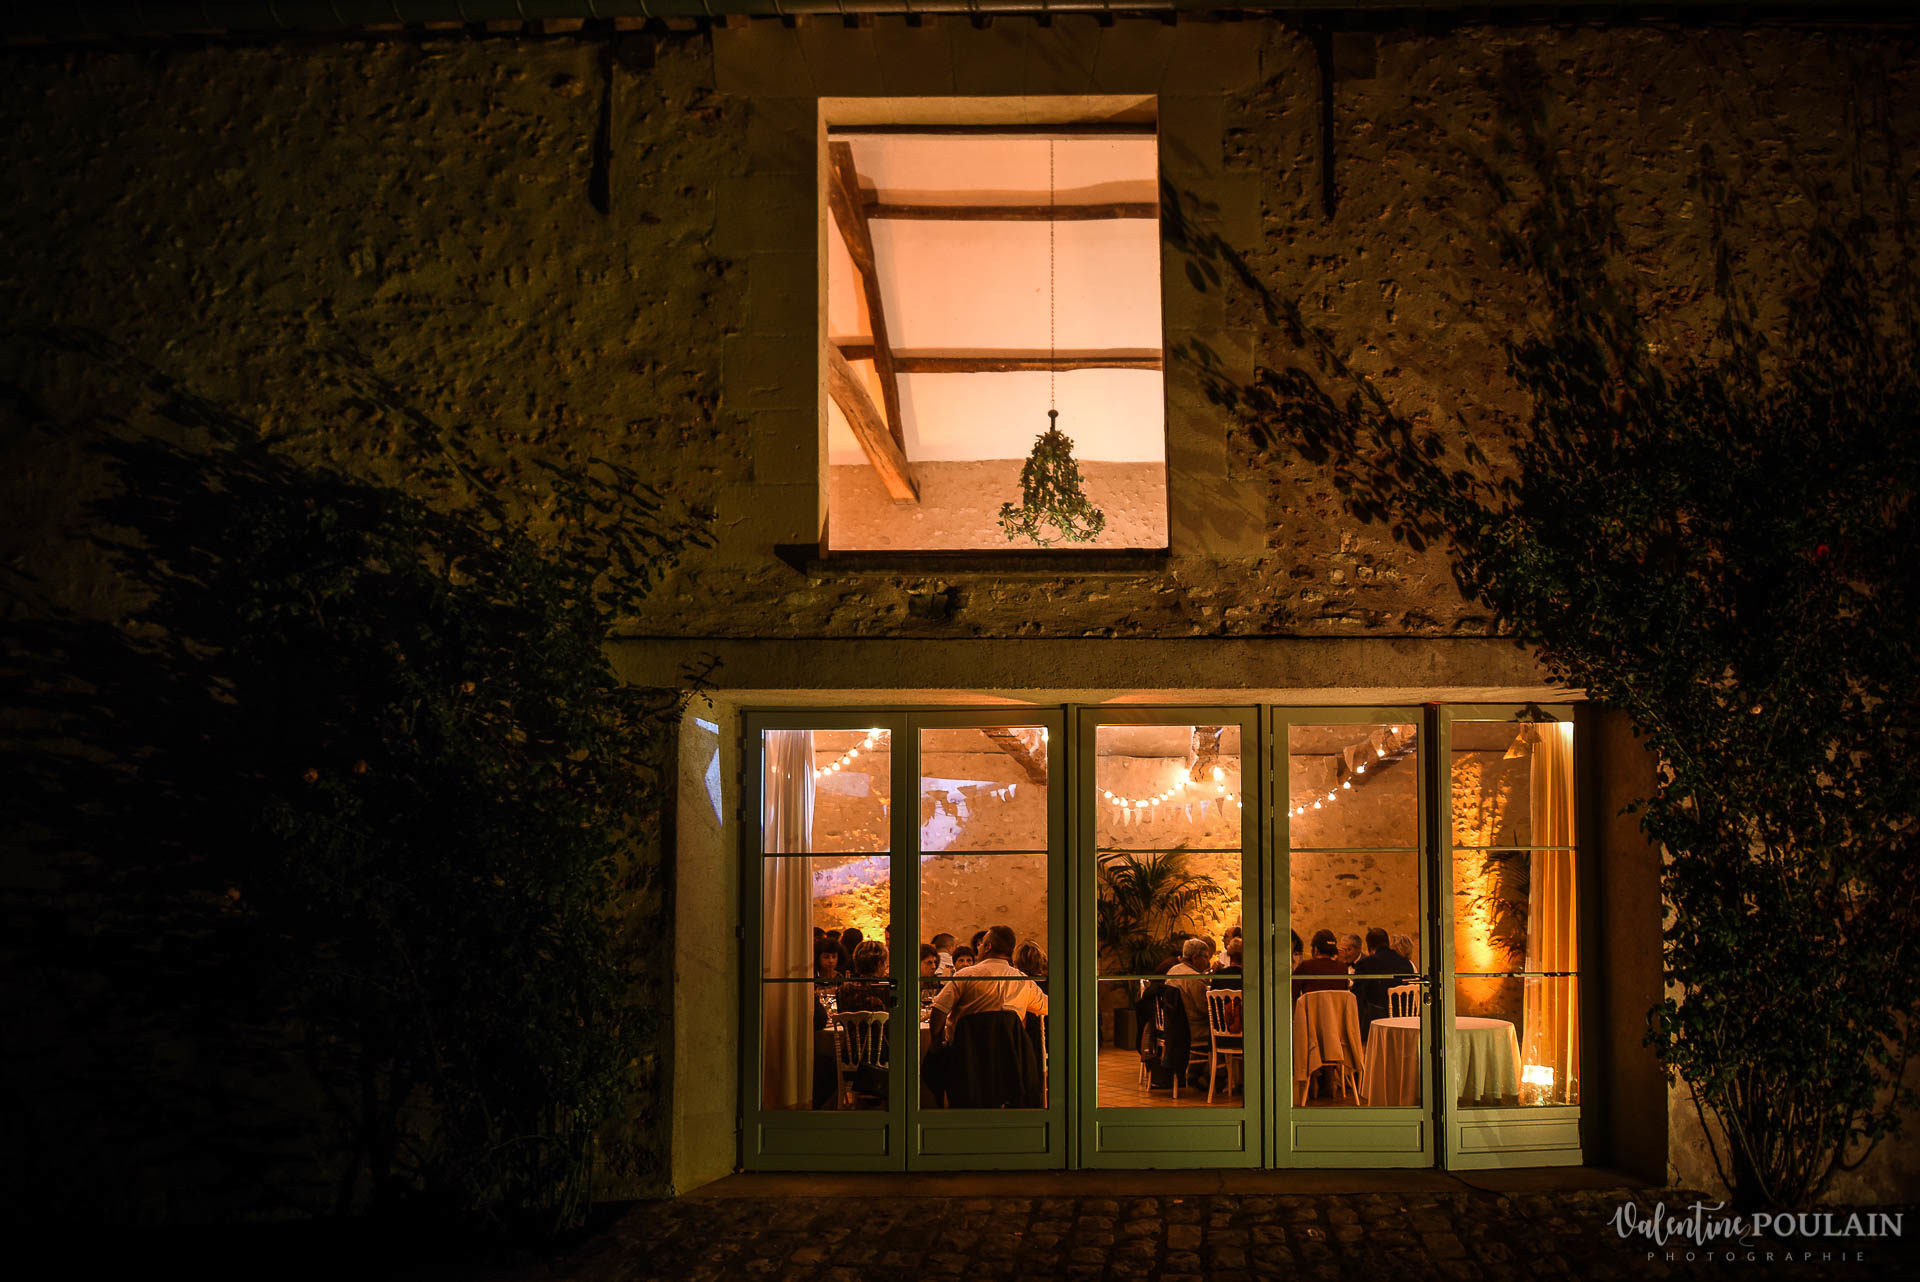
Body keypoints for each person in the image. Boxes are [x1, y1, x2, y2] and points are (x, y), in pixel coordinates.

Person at [928, 925, 1048, 1048]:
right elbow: (1048, 1007)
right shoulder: (1023, 981)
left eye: (981, 944)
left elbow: (939, 1010)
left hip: (966, 1054)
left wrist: (936, 1044)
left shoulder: (965, 975)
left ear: (988, 947)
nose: (978, 947)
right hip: (1008, 1054)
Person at [1165, 936, 1215, 1088]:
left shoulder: (1172, 971)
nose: (1208, 962)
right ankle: (1213, 1075)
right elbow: (1206, 1010)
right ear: (1194, 957)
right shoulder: (1194, 979)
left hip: (1175, 1028)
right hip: (1194, 1030)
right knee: (1222, 1031)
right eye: (1205, 957)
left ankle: (1195, 1071)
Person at [1351, 927, 1415, 1038]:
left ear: (1369, 946)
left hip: (1378, 1021)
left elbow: (1356, 995)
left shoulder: (1366, 963)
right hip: (1403, 1018)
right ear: (1387, 942)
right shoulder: (1406, 963)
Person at [837, 941, 892, 1014]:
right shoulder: (887, 988)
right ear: (879, 964)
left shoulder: (844, 989)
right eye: (886, 963)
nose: (887, 966)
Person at [1292, 929, 1351, 997]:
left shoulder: (1305, 966)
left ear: (1316, 949)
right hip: (1337, 1004)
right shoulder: (1343, 968)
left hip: (1311, 1004)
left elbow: (1292, 994)